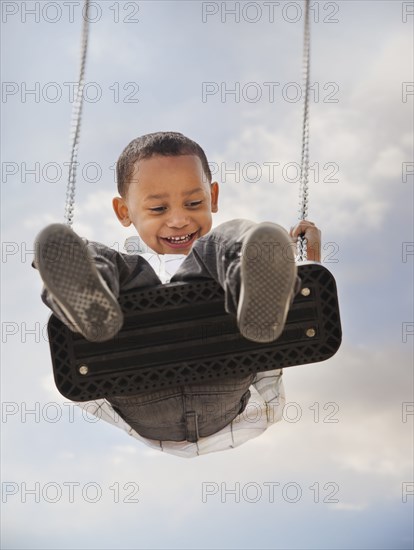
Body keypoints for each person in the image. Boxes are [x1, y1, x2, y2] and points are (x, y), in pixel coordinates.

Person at [34, 131, 322, 458]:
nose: (179, 219)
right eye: (158, 208)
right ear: (124, 211)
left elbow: (304, 304)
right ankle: (88, 311)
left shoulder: (213, 257)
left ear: (213, 196)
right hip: (147, 381)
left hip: (210, 378)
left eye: (194, 203)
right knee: (96, 255)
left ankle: (248, 291)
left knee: (227, 241)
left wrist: (301, 257)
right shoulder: (128, 268)